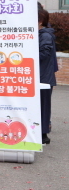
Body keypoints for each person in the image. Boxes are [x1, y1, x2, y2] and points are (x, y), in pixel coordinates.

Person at [38, 9, 58, 144]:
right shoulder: (41, 34)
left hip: (44, 77)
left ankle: (43, 135)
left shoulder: (45, 36)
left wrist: (26, 57)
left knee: (43, 106)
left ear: (40, 21)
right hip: (41, 75)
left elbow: (44, 55)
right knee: (39, 105)